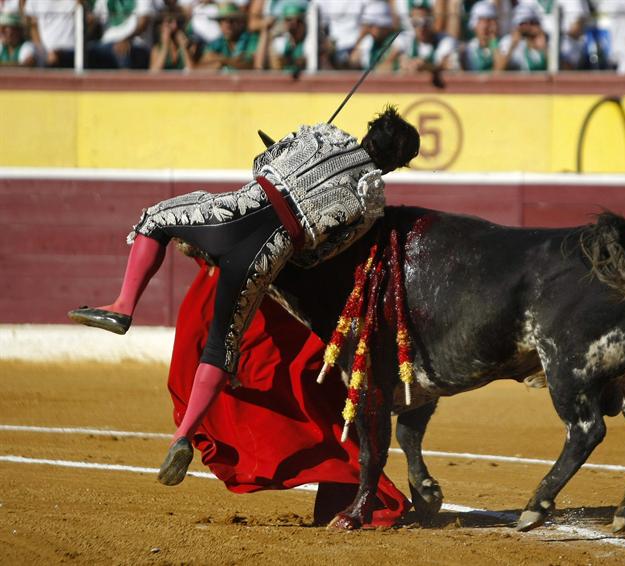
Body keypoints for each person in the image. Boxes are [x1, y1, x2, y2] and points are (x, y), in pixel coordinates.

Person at [68, 107, 420, 487]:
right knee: (223, 347)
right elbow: (320, 254)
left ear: (370, 132)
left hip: (233, 211)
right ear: (394, 165)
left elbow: (262, 163)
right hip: (269, 251)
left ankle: (123, 306)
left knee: (154, 220)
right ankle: (183, 435)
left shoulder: (324, 134)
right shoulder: (370, 199)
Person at [390, 0, 460, 74]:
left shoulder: (446, 41)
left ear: (433, 22)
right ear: (411, 23)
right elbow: (381, 67)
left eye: (426, 22)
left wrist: (426, 67)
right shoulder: (404, 39)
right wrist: (398, 66)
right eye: (416, 23)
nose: (421, 28)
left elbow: (448, 67)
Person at [89, 0, 154, 69]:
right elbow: (93, 19)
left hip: (135, 44)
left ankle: (126, 79)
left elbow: (144, 22)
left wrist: (127, 40)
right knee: (89, 51)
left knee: (121, 50)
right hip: (106, 44)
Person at [197, 2, 261, 71]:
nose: (228, 25)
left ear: (241, 22)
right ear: (219, 24)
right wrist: (232, 62)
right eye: (223, 21)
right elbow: (199, 68)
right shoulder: (216, 43)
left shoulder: (252, 39)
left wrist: (221, 59)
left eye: (232, 20)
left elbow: (253, 65)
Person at [495, 3, 547, 71]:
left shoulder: (540, 41)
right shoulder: (507, 41)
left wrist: (544, 48)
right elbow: (498, 70)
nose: (527, 27)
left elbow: (554, 70)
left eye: (531, 23)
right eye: (522, 23)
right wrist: (512, 46)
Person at [24, 0, 77, 68]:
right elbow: (33, 28)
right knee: (27, 51)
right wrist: (43, 52)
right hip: (45, 52)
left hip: (71, 51)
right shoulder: (33, 1)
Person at [349, 1, 398, 71]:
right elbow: (353, 61)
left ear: (384, 26)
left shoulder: (397, 41)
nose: (368, 30)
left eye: (372, 25)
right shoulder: (368, 41)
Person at [267, 0, 311, 73]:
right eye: (288, 20)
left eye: (299, 21)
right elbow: (276, 73)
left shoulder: (312, 44)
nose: (293, 25)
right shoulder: (279, 44)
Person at [461, 0, 500, 71]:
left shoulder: (502, 45)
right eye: (482, 21)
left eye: (490, 21)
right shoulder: (467, 49)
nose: (486, 26)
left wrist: (493, 42)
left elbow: (500, 70)